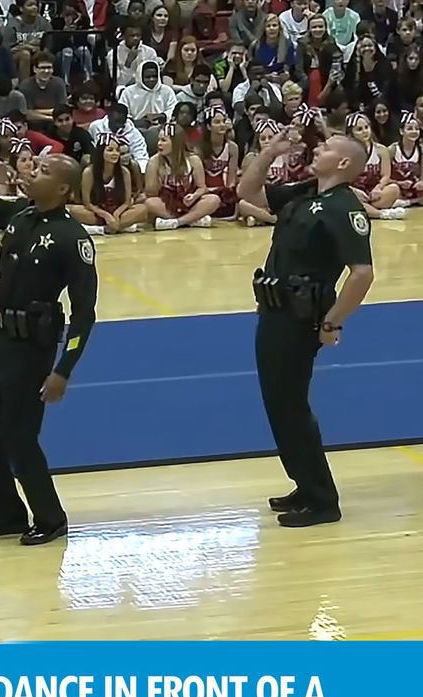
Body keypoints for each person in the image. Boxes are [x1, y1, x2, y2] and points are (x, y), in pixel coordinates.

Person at [0, 154, 98, 545]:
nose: (33, 171)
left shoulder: (72, 238)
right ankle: (7, 513)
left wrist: (64, 369)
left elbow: (84, 313)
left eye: (44, 171)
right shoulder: (17, 214)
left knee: (18, 437)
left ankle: (50, 517)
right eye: (35, 166)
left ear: (63, 189)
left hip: (30, 348)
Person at [237, 129, 374, 527]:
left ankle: (322, 500)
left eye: (327, 147)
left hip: (299, 317)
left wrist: (333, 321)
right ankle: (304, 482)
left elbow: (362, 273)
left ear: (344, 163)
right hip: (275, 309)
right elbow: (247, 193)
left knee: (290, 406)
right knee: (279, 404)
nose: (318, 148)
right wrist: (268, 152)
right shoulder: (306, 192)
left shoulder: (344, 208)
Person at [144, 122, 220, 229]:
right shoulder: (154, 161)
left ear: (176, 143)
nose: (159, 144)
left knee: (214, 200)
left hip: (189, 203)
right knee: (150, 203)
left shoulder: (193, 160)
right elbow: (150, 193)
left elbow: (202, 188)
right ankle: (192, 220)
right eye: (159, 140)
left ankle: (177, 222)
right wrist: (156, 174)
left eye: (163, 140)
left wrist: (194, 196)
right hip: (167, 203)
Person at [72, 133, 147, 234]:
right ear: (101, 152)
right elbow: (87, 203)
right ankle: (117, 227)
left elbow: (127, 202)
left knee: (143, 209)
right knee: (72, 210)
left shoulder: (124, 172)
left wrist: (116, 214)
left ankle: (103, 228)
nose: (115, 153)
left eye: (117, 150)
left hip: (119, 212)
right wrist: (105, 215)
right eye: (110, 150)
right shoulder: (89, 172)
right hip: (97, 212)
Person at [389, 111, 423, 205]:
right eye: (410, 128)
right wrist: (399, 183)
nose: (414, 131)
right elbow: (384, 176)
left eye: (417, 129)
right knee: (392, 189)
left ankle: (409, 202)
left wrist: (421, 182)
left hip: (414, 188)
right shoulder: (392, 150)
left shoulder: (421, 150)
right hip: (396, 187)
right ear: (401, 131)